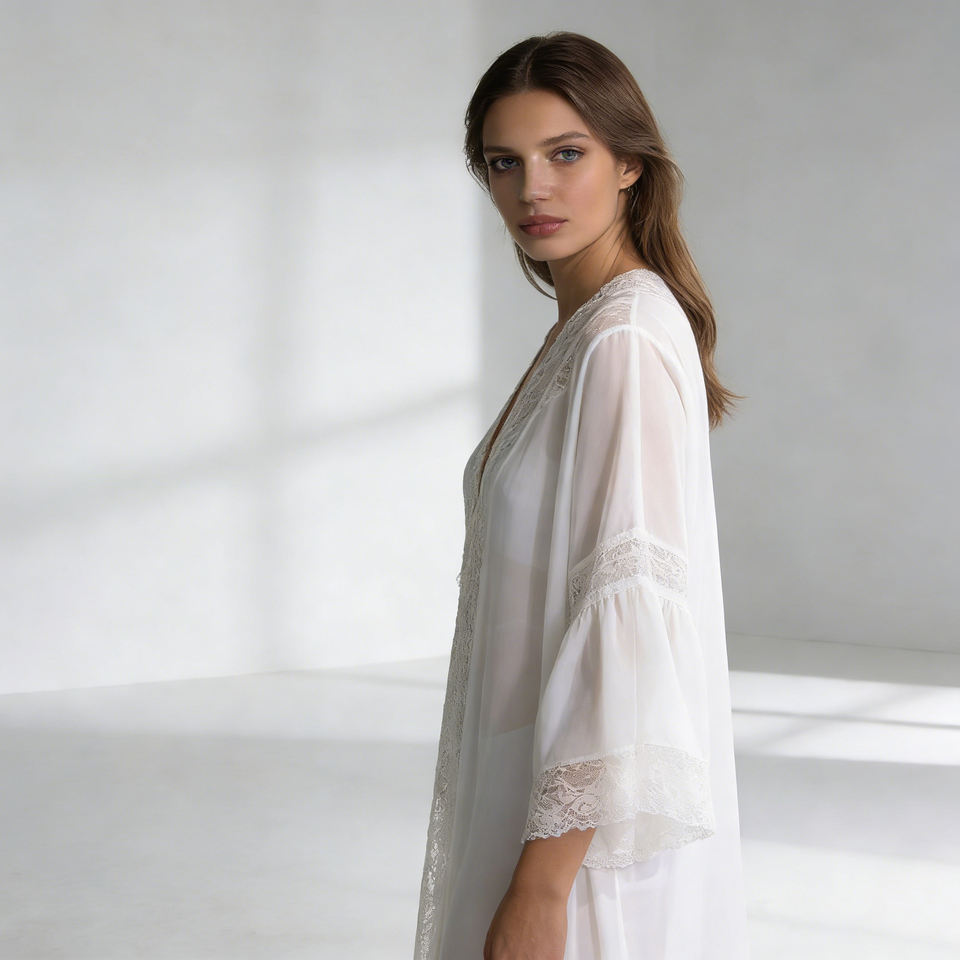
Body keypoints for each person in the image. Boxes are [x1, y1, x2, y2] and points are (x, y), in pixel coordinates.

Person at [414, 30, 751, 960]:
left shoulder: (623, 341)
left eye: (566, 154)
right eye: (504, 163)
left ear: (630, 165)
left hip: (581, 851)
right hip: (525, 784)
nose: (533, 189)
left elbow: (625, 632)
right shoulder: (584, 329)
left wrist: (542, 889)